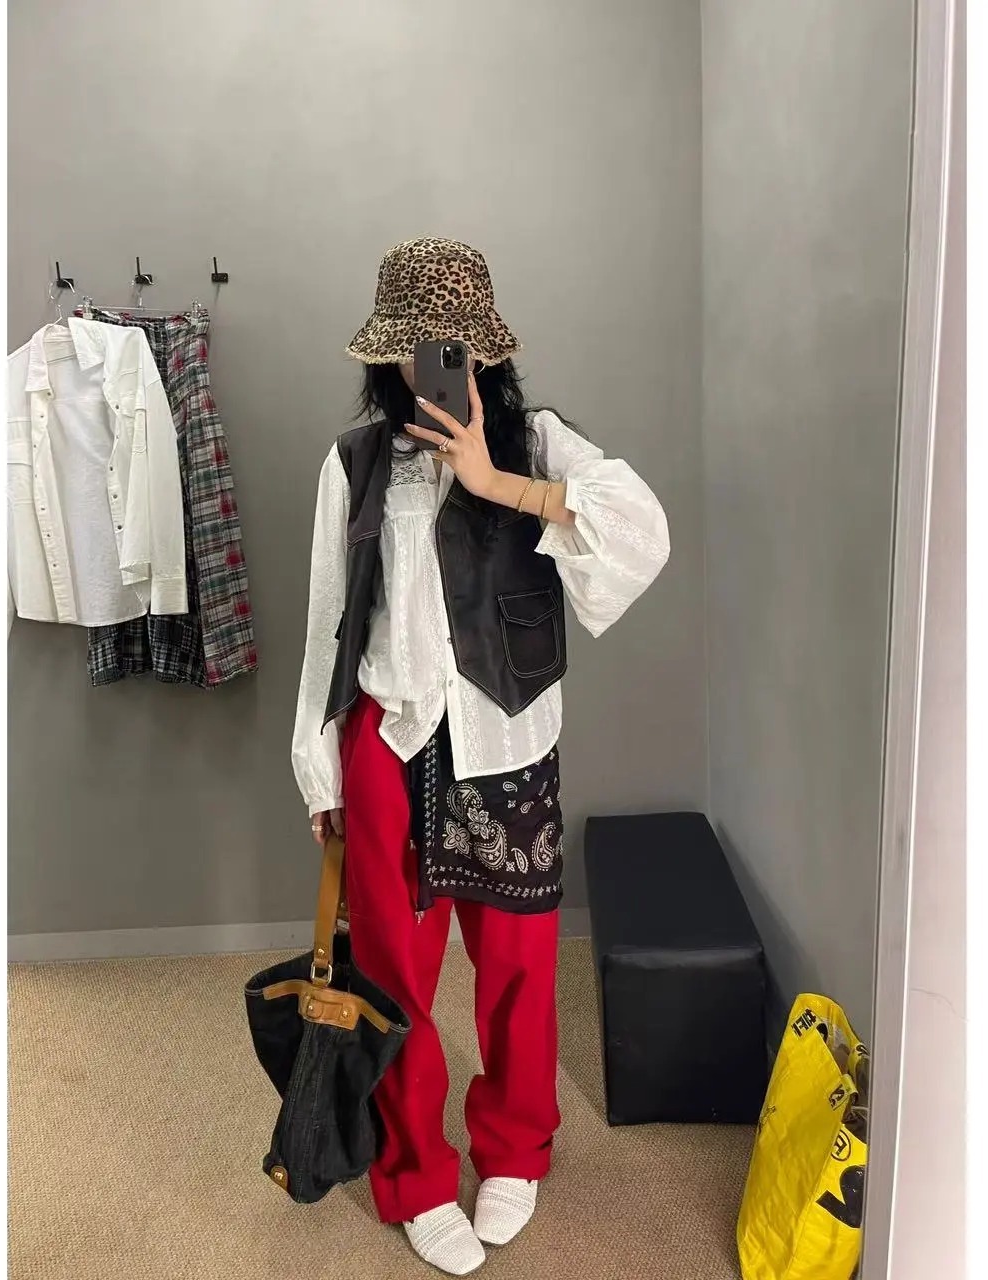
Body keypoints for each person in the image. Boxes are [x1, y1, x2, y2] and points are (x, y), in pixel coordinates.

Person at [291, 237, 669, 1275]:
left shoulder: (539, 444)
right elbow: (327, 620)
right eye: (412, 348)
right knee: (391, 975)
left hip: (507, 737)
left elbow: (641, 531)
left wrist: (498, 482)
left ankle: (514, 1145)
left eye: (448, 347)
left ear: (485, 352)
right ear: (386, 355)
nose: (429, 365)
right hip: (390, 740)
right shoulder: (353, 461)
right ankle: (414, 1174)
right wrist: (319, 767)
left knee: (517, 968)